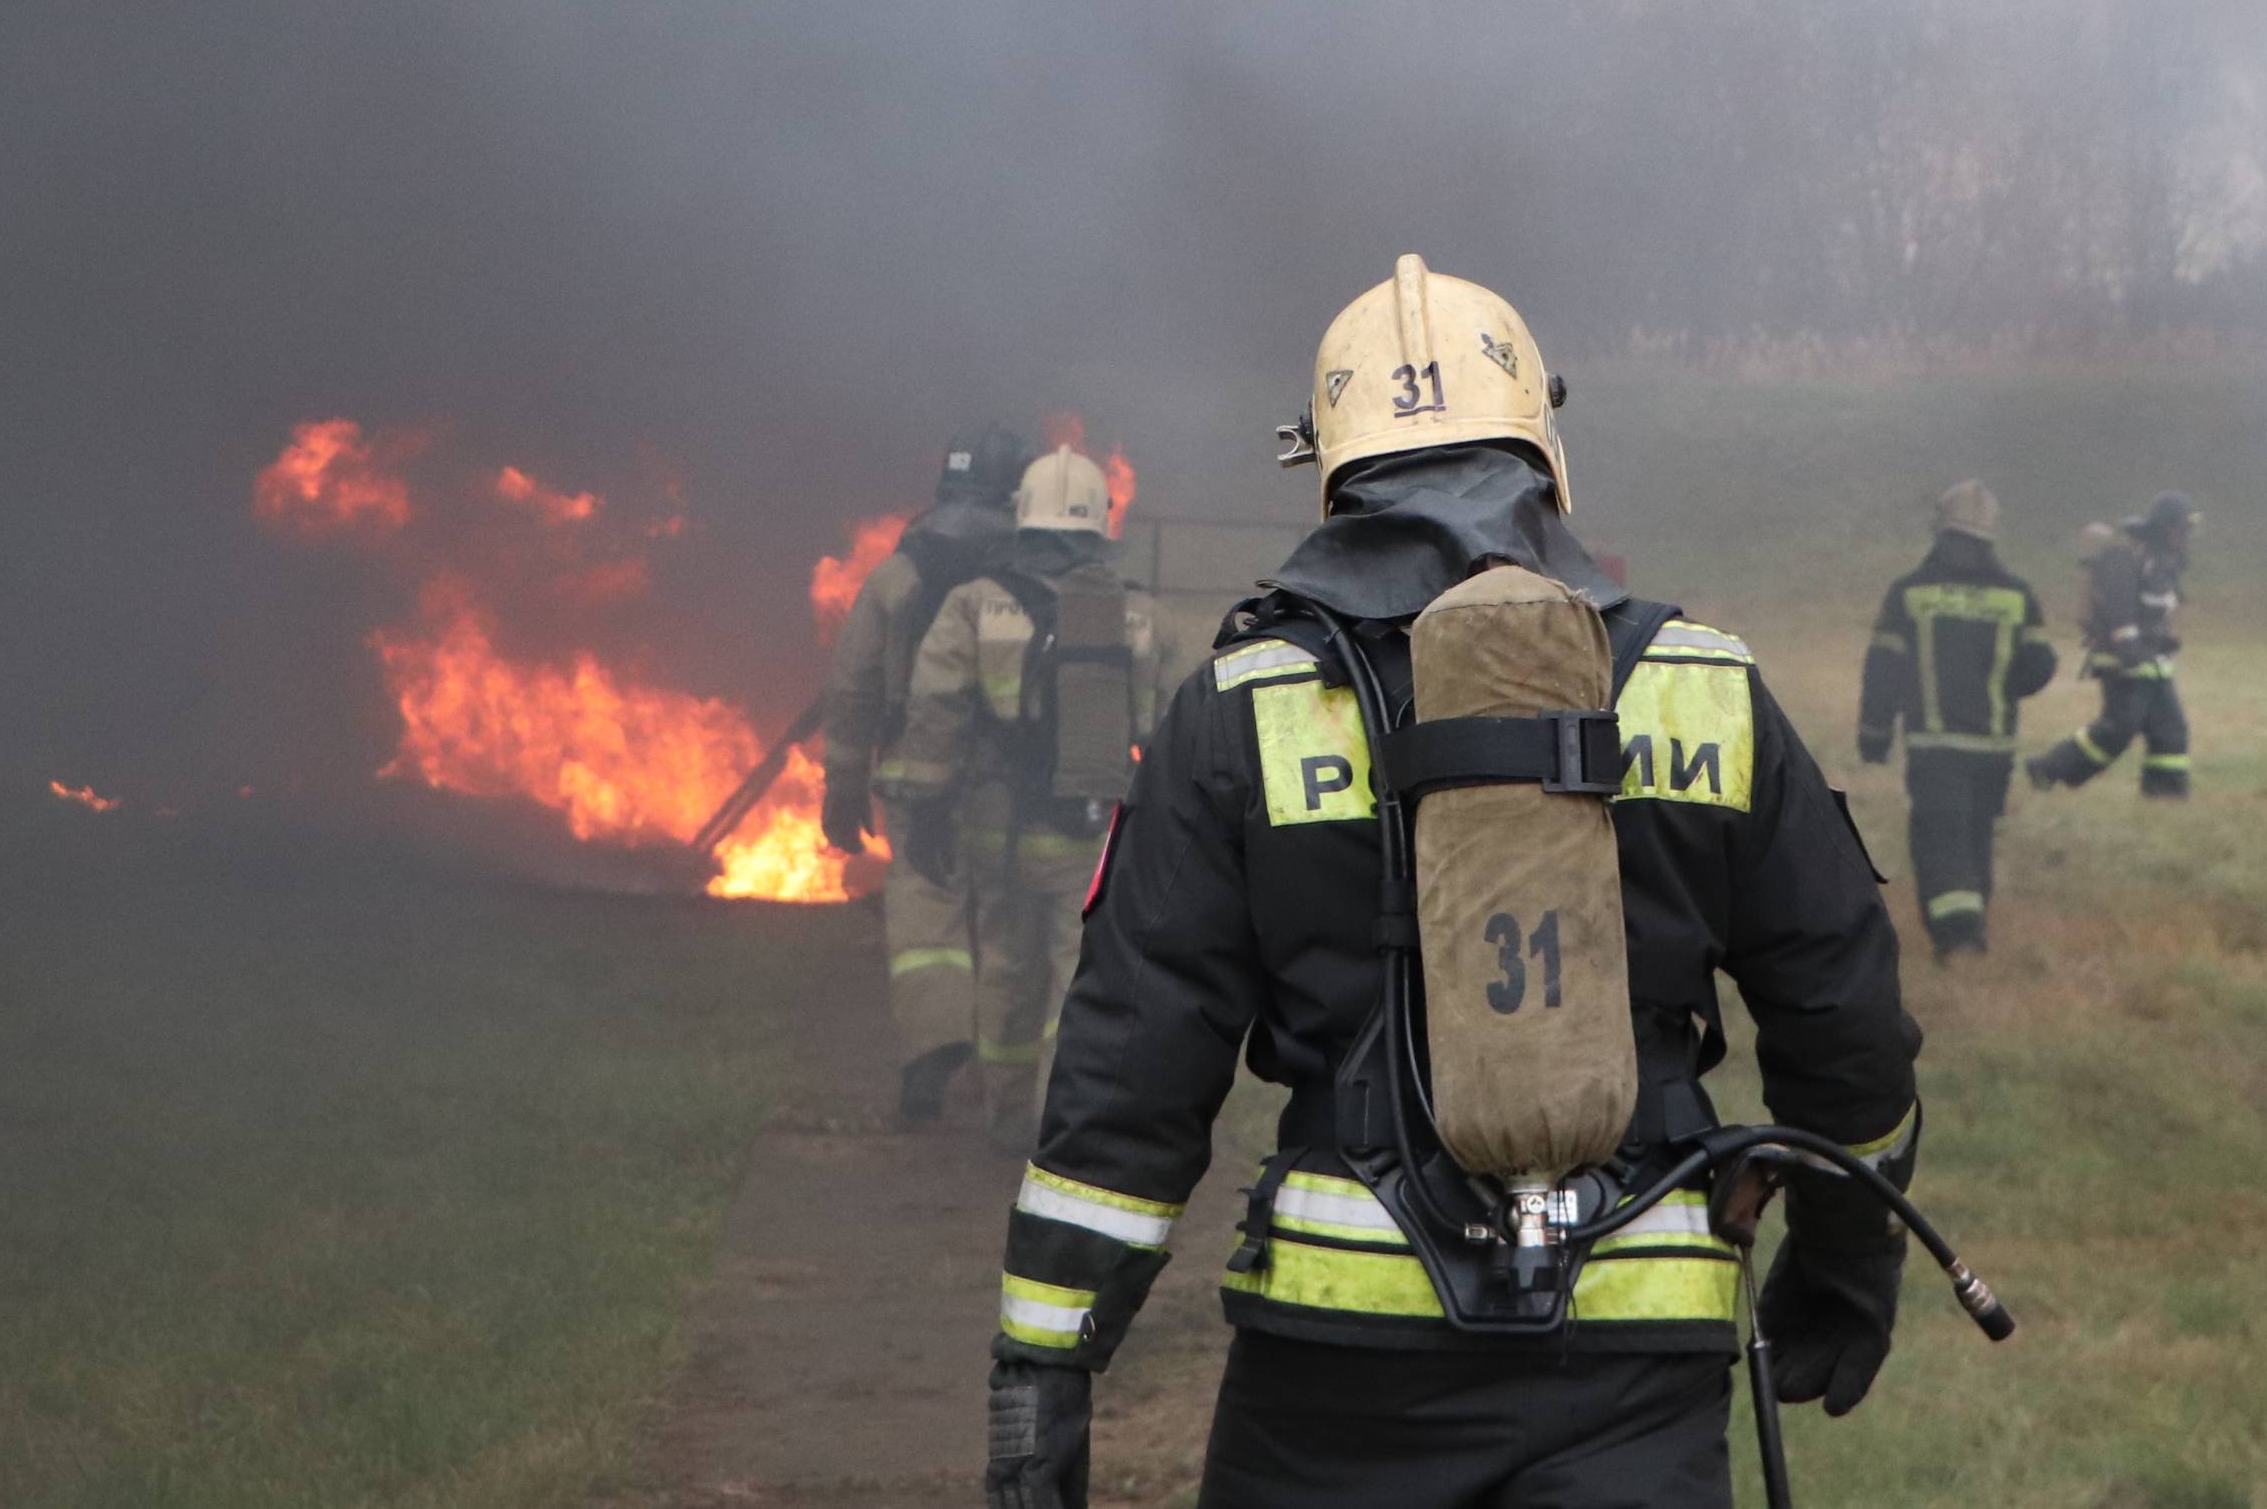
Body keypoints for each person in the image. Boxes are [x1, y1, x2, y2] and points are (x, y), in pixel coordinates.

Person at [980, 257, 1923, 1509]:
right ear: (1543, 441)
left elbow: (1131, 1077)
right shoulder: (1704, 687)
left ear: (1328, 458)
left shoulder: (1238, 713)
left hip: (1335, 1367)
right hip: (1635, 1356)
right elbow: (1844, 1010)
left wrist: (1043, 1367)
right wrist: (1850, 1252)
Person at [880, 446, 1162, 1151]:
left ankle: (1006, 1122)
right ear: (1100, 528)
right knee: (1082, 976)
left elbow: (934, 711)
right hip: (1091, 836)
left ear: (1022, 522)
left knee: (1006, 967)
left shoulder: (973, 605)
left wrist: (926, 807)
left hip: (996, 830)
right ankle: (1064, 1124)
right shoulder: (1140, 617)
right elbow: (1165, 733)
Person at [821, 422, 1032, 1124]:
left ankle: (930, 1050)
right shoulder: (1033, 577)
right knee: (1001, 914)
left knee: (924, 910)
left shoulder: (897, 574)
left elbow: (853, 687)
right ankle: (1003, 1072)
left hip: (913, 774)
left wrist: (843, 786)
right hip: (1012, 777)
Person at [1858, 480, 2060, 958]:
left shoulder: (1910, 593)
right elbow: (2041, 663)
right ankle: (1972, 925)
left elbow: (1883, 670)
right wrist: (2004, 688)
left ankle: (1960, 937)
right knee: (1975, 836)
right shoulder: (2017, 595)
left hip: (1934, 745)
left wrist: (1874, 735)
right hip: (1994, 747)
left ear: (1940, 533)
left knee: (1939, 837)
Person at [2024, 490, 2197, 801]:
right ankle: (2049, 768)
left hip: (2153, 663)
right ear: (2164, 528)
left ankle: (2166, 794)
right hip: (2123, 662)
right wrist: (2130, 647)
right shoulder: (2127, 558)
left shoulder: (2163, 562)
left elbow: (2157, 610)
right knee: (2119, 729)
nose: (2185, 536)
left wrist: (2161, 641)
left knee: (2171, 730)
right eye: (2181, 528)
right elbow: (2120, 609)